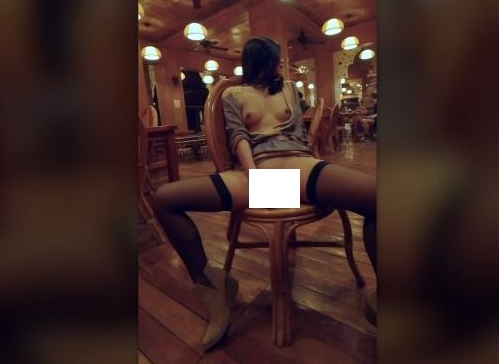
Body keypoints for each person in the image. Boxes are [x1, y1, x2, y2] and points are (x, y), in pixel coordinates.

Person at [151, 36, 377, 350]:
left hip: (300, 169)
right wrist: (256, 177)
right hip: (256, 173)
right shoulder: (233, 94)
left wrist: (311, 169)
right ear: (260, 62)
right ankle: (213, 290)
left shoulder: (289, 89)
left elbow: (298, 137)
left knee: (377, 197)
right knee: (164, 199)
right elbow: (238, 137)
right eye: (275, 61)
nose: (280, 67)